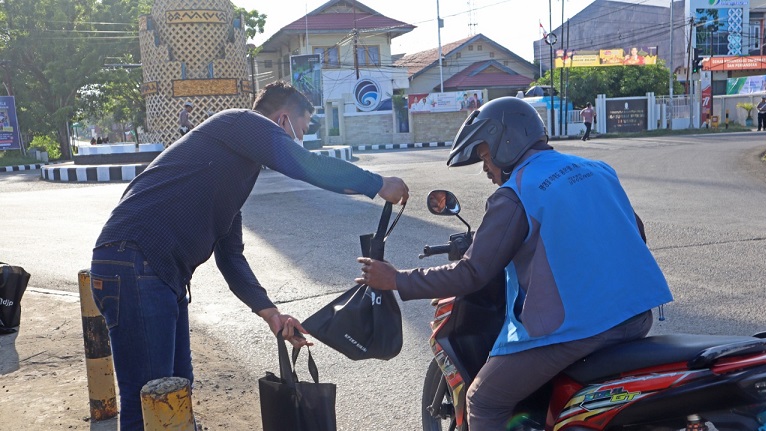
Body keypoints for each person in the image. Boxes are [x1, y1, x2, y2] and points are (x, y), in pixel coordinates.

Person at [89, 80, 409, 430]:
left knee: (175, 392)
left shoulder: (233, 167)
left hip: (156, 274)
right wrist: (377, 183)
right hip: (135, 263)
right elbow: (306, 164)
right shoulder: (242, 121)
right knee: (148, 404)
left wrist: (272, 314)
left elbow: (231, 258)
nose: (299, 141)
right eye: (300, 130)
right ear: (283, 119)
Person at [356, 97, 672, 430]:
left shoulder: (515, 193)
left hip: (578, 332)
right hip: (637, 316)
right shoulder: (597, 170)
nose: (485, 169)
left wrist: (396, 279)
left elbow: (472, 272)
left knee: (483, 399)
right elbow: (635, 233)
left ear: (504, 143)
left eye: (484, 156)